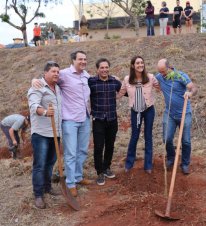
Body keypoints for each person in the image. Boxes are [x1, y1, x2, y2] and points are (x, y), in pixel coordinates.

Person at [32, 51, 92, 197]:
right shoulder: (63, 74)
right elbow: (46, 81)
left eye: (85, 59)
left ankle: (78, 176)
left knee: (82, 150)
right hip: (70, 120)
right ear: (73, 60)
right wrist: (34, 80)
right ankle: (70, 183)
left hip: (85, 118)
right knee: (71, 153)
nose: (83, 61)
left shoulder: (86, 75)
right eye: (80, 59)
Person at [28, 61, 62, 209]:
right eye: (53, 71)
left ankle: (48, 187)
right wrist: (44, 112)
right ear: (45, 73)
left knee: (50, 163)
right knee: (40, 165)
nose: (56, 74)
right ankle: (38, 195)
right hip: (41, 133)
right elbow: (33, 105)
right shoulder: (37, 86)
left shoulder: (58, 88)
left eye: (57, 72)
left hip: (55, 132)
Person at [117, 56, 160, 174]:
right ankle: (129, 164)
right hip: (135, 111)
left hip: (148, 110)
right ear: (133, 65)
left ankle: (148, 166)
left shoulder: (150, 77)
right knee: (134, 136)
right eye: (137, 63)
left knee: (148, 136)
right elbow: (120, 93)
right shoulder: (127, 79)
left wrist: (169, 78)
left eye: (142, 62)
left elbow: (160, 87)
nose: (140, 65)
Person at [156, 59, 198, 175]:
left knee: (186, 141)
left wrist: (190, 93)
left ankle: (185, 164)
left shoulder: (181, 76)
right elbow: (150, 80)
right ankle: (171, 158)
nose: (162, 74)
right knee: (167, 139)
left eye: (163, 71)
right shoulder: (159, 77)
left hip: (184, 113)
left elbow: (193, 87)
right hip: (169, 114)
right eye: (160, 72)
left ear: (169, 67)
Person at [88, 58, 122, 186]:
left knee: (110, 145)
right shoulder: (91, 82)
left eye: (106, 67)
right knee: (98, 146)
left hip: (112, 119)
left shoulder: (114, 81)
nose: (104, 70)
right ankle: (99, 172)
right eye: (101, 68)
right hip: (98, 120)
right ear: (97, 69)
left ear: (109, 68)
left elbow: (126, 91)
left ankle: (107, 167)